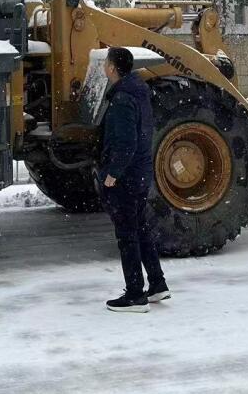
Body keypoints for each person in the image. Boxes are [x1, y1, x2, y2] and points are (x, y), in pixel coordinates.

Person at [97, 46, 168, 313]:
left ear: (112, 68)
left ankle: (135, 295)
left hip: (126, 177)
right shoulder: (138, 92)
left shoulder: (123, 98)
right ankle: (157, 284)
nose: (104, 66)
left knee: (127, 234)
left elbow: (126, 142)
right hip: (139, 172)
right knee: (140, 229)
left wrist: (113, 173)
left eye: (106, 62)